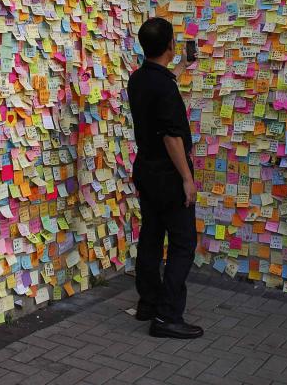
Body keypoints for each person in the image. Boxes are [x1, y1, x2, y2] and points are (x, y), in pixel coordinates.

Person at [127, 17, 203, 339]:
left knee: (152, 236)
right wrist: (187, 178)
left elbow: (162, 88)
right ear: (170, 45)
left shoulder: (139, 79)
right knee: (184, 243)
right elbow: (172, 137)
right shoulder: (164, 87)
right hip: (169, 175)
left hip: (146, 171)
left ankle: (149, 302)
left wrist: (182, 67)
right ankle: (167, 316)